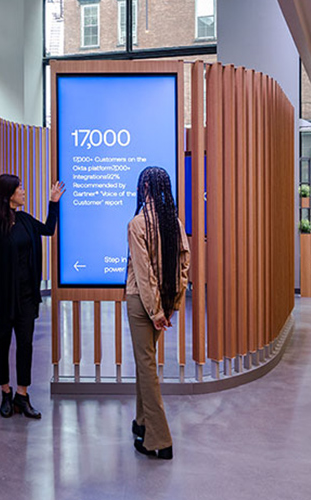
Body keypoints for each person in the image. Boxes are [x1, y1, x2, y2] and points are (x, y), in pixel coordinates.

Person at [0, 174, 64, 419]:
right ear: (8, 196)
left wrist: (53, 202)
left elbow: (48, 230)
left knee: (25, 345)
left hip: (27, 297)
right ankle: (5, 393)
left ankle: (22, 395)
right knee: (1, 346)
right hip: (2, 299)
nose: (24, 192)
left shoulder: (25, 220)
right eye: (20, 188)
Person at [126, 166, 188, 460]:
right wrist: (170, 305)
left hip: (142, 305)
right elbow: (183, 267)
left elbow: (142, 273)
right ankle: (142, 423)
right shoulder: (173, 223)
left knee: (146, 367)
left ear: (145, 188)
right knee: (145, 362)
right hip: (161, 303)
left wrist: (154, 311)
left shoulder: (137, 224)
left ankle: (160, 440)